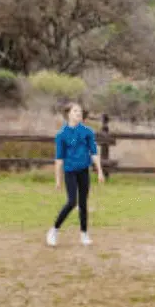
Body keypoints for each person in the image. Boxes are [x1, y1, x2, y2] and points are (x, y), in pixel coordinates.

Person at [48, 103, 106, 247]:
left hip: (83, 171)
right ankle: (54, 230)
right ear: (68, 114)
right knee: (72, 201)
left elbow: (94, 152)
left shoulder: (88, 132)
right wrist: (58, 180)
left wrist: (99, 171)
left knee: (83, 203)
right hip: (70, 171)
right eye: (75, 111)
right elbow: (59, 159)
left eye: (80, 111)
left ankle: (84, 234)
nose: (78, 113)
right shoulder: (61, 135)